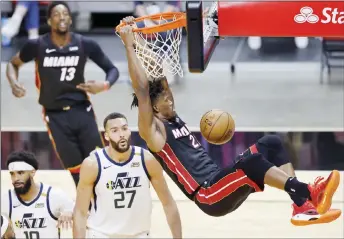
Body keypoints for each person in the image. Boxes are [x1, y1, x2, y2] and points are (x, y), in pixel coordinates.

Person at [118, 19, 341, 226]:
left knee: (271, 143)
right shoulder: (154, 132)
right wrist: (128, 47)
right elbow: (142, 90)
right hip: (209, 195)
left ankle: (301, 206)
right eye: (165, 97)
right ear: (154, 107)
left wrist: (136, 38)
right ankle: (309, 192)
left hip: (220, 180)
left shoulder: (172, 118)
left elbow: (155, 70)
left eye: (169, 93)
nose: (170, 97)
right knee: (252, 161)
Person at [5, 1, 120, 186]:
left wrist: (105, 85)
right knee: (75, 168)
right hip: (54, 114)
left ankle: (104, 204)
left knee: (97, 163)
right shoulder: (37, 45)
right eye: (57, 14)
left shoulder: (84, 43)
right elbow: (13, 63)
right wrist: (14, 82)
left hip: (82, 110)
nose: (62, 17)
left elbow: (112, 70)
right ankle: (86, 208)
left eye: (65, 13)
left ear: (70, 19)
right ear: (50, 21)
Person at [73, 112, 182, 238]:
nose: (121, 134)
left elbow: (168, 203)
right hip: (102, 234)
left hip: (139, 234)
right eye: (115, 130)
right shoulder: (93, 164)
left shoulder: (147, 160)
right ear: (106, 136)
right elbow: (80, 212)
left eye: (124, 128)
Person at [1, 151, 74, 238]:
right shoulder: (5, 200)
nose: (15, 178)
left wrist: (70, 211)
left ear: (32, 172)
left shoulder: (53, 195)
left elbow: (82, 212)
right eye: (12, 174)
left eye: (20, 173)